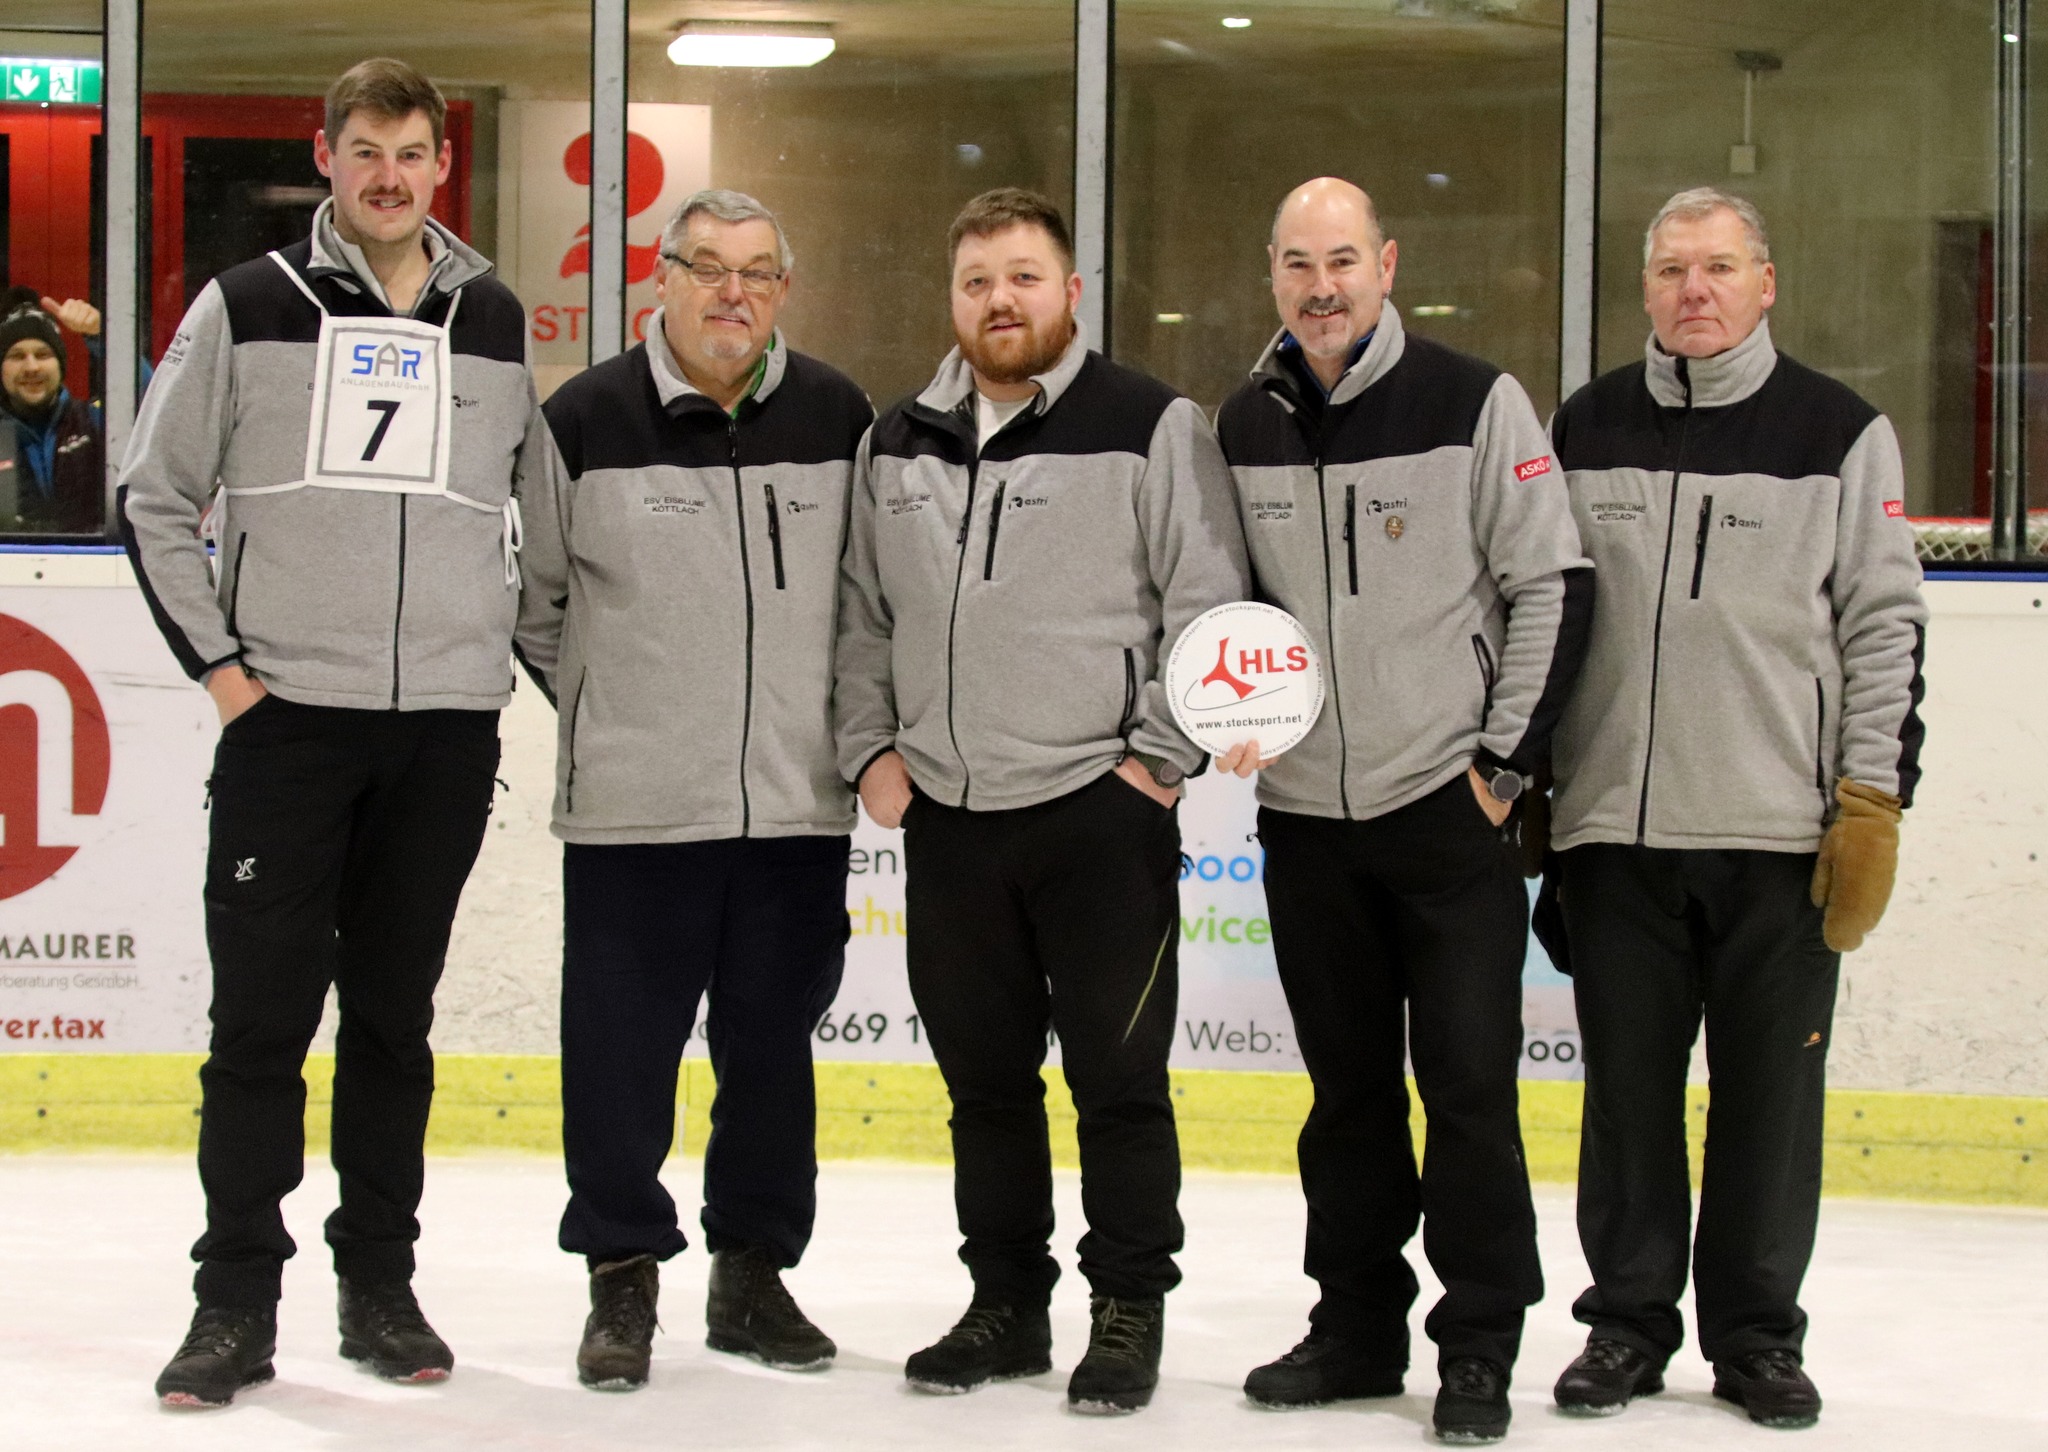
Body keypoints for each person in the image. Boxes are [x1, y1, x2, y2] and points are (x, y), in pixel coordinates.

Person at [118, 58, 554, 1408]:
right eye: (363, 150)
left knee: (392, 1024)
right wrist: (234, 677)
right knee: (259, 1027)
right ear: (325, 157)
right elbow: (151, 494)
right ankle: (234, 1302)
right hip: (289, 730)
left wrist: (509, 669)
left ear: (440, 167)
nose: (388, 175)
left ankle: (379, 1286)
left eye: (411, 153)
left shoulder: (491, 319)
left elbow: (529, 512)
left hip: (439, 733)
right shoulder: (248, 305)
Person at [834, 187, 1250, 1415]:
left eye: (1022, 277)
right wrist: (872, 751)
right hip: (952, 820)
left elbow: (1207, 605)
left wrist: (1153, 763)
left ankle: (1125, 1306)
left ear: (1070, 291)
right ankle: (1005, 1303)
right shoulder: (898, 436)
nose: (998, 301)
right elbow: (864, 615)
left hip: (1096, 816)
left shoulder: (1151, 426)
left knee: (1117, 1082)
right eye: (975, 282)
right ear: (952, 300)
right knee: (985, 1086)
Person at [1212, 177, 1593, 1445]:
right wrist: (1229, 723)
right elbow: (1224, 612)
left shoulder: (1472, 401)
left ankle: (1477, 1343)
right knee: (1348, 1093)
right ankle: (1355, 1328)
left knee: (1471, 1086)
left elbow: (1552, 582)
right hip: (1307, 823)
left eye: (1341, 260)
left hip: (1444, 811)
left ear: (1385, 264)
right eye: (1294, 264)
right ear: (1270, 276)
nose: (1320, 286)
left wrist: (1497, 769)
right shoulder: (1241, 421)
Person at [1542, 187, 1926, 1431]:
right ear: (1643, 288)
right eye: (1667, 271)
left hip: (1776, 837)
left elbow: (1881, 625)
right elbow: (1540, 615)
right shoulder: (1585, 423)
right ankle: (1626, 1326)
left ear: (1765, 282)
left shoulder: (1837, 429)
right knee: (1627, 1098)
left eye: (1715, 268)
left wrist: (1869, 798)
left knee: (1768, 1102)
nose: (1689, 291)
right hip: (1612, 836)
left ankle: (1756, 1337)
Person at [515, 189, 872, 1391]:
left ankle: (752, 1274)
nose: (733, 294)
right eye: (707, 268)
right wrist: (627, 711)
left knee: (771, 1052)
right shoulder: (582, 419)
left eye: (758, 274)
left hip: (792, 810)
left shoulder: (837, 414)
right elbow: (538, 606)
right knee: (619, 1055)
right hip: (634, 811)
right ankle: (621, 1278)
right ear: (657, 280)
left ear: (782, 290)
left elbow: (869, 602)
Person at [0, 291, 104, 534]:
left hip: (94, 568)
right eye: (17, 356)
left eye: (43, 354)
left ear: (61, 366)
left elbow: (154, 409)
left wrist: (101, 338)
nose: (31, 367)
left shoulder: (93, 421)